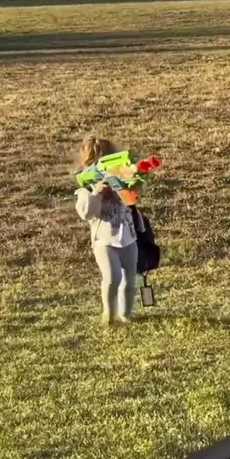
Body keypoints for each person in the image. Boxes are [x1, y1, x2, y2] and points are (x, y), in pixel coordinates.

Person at [75, 135, 142, 325]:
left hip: (128, 236)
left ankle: (126, 314)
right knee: (112, 278)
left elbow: (133, 198)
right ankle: (109, 315)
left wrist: (134, 180)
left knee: (129, 280)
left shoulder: (121, 176)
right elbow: (85, 213)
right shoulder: (87, 185)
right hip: (104, 240)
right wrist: (95, 192)